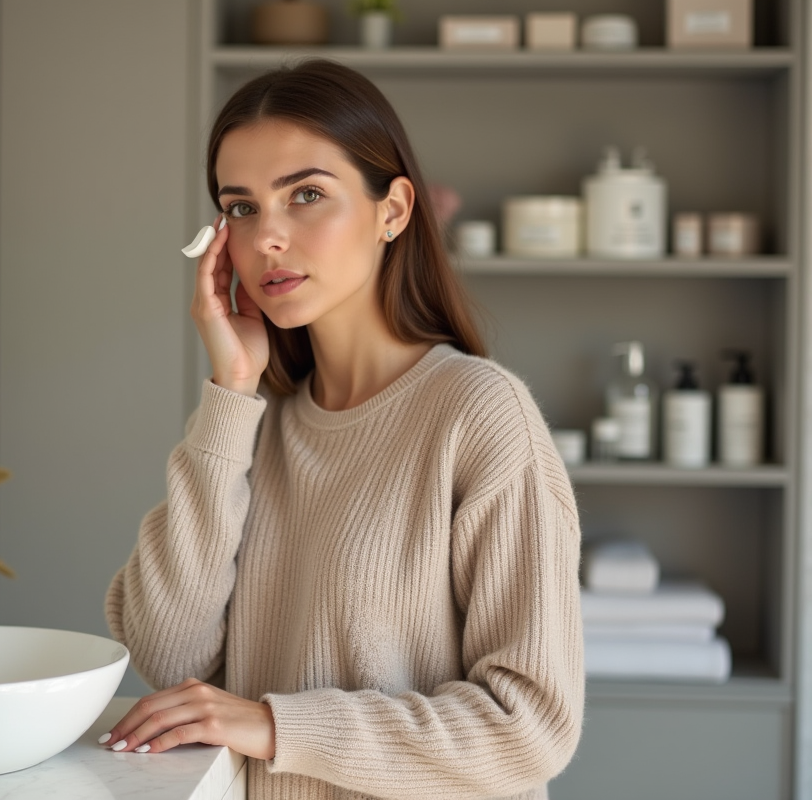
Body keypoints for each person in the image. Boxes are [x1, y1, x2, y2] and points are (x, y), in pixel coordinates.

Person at [103, 59, 583, 800]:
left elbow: (529, 726)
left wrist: (273, 726)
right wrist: (231, 391)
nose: (267, 237)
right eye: (240, 207)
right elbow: (168, 656)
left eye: (305, 195)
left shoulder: (479, 414)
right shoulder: (251, 428)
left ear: (392, 210)